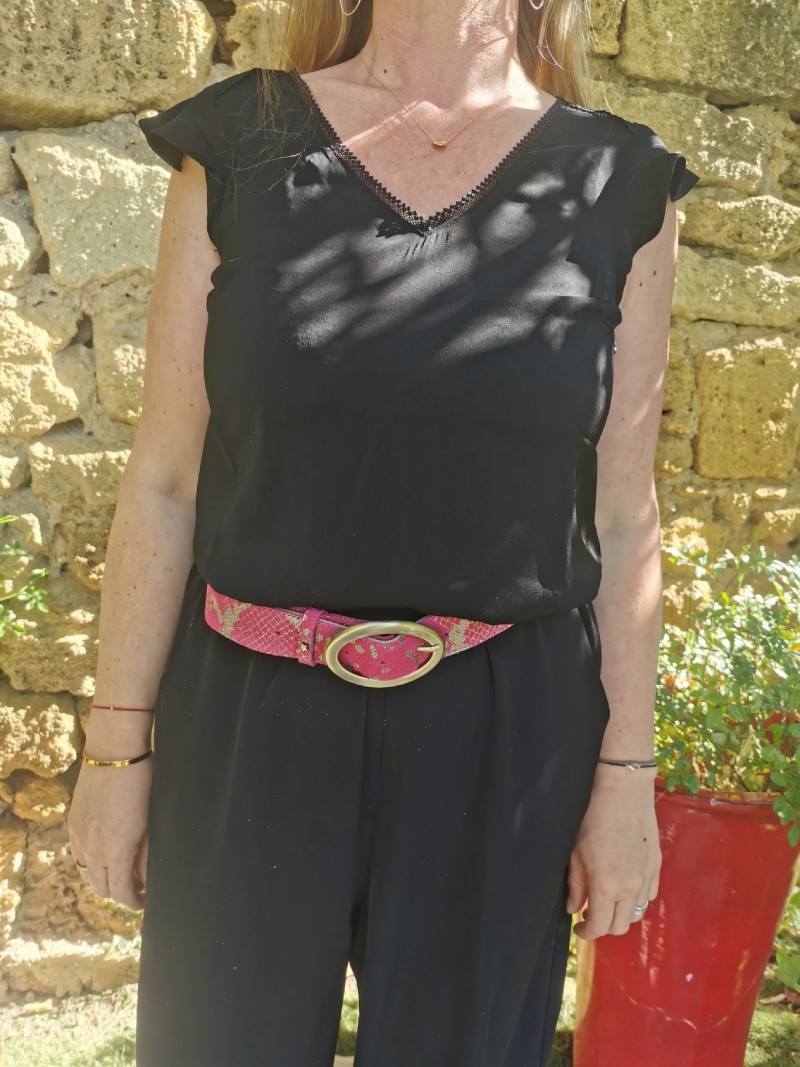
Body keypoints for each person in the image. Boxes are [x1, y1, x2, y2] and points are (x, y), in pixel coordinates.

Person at [66, 1, 700, 1064]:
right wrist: (115, 745)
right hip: (251, 721)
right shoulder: (242, 144)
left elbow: (623, 517)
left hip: (503, 734)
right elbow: (165, 480)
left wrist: (625, 776)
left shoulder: (615, 183)